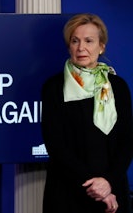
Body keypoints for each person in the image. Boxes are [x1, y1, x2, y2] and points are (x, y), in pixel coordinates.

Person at [41, 13, 133, 213]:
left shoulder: (118, 87)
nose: (81, 48)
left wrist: (108, 183)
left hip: (113, 192)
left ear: (101, 46)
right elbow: (56, 145)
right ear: (69, 46)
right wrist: (97, 188)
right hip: (68, 193)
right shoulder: (54, 88)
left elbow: (127, 141)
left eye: (89, 41)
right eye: (75, 41)